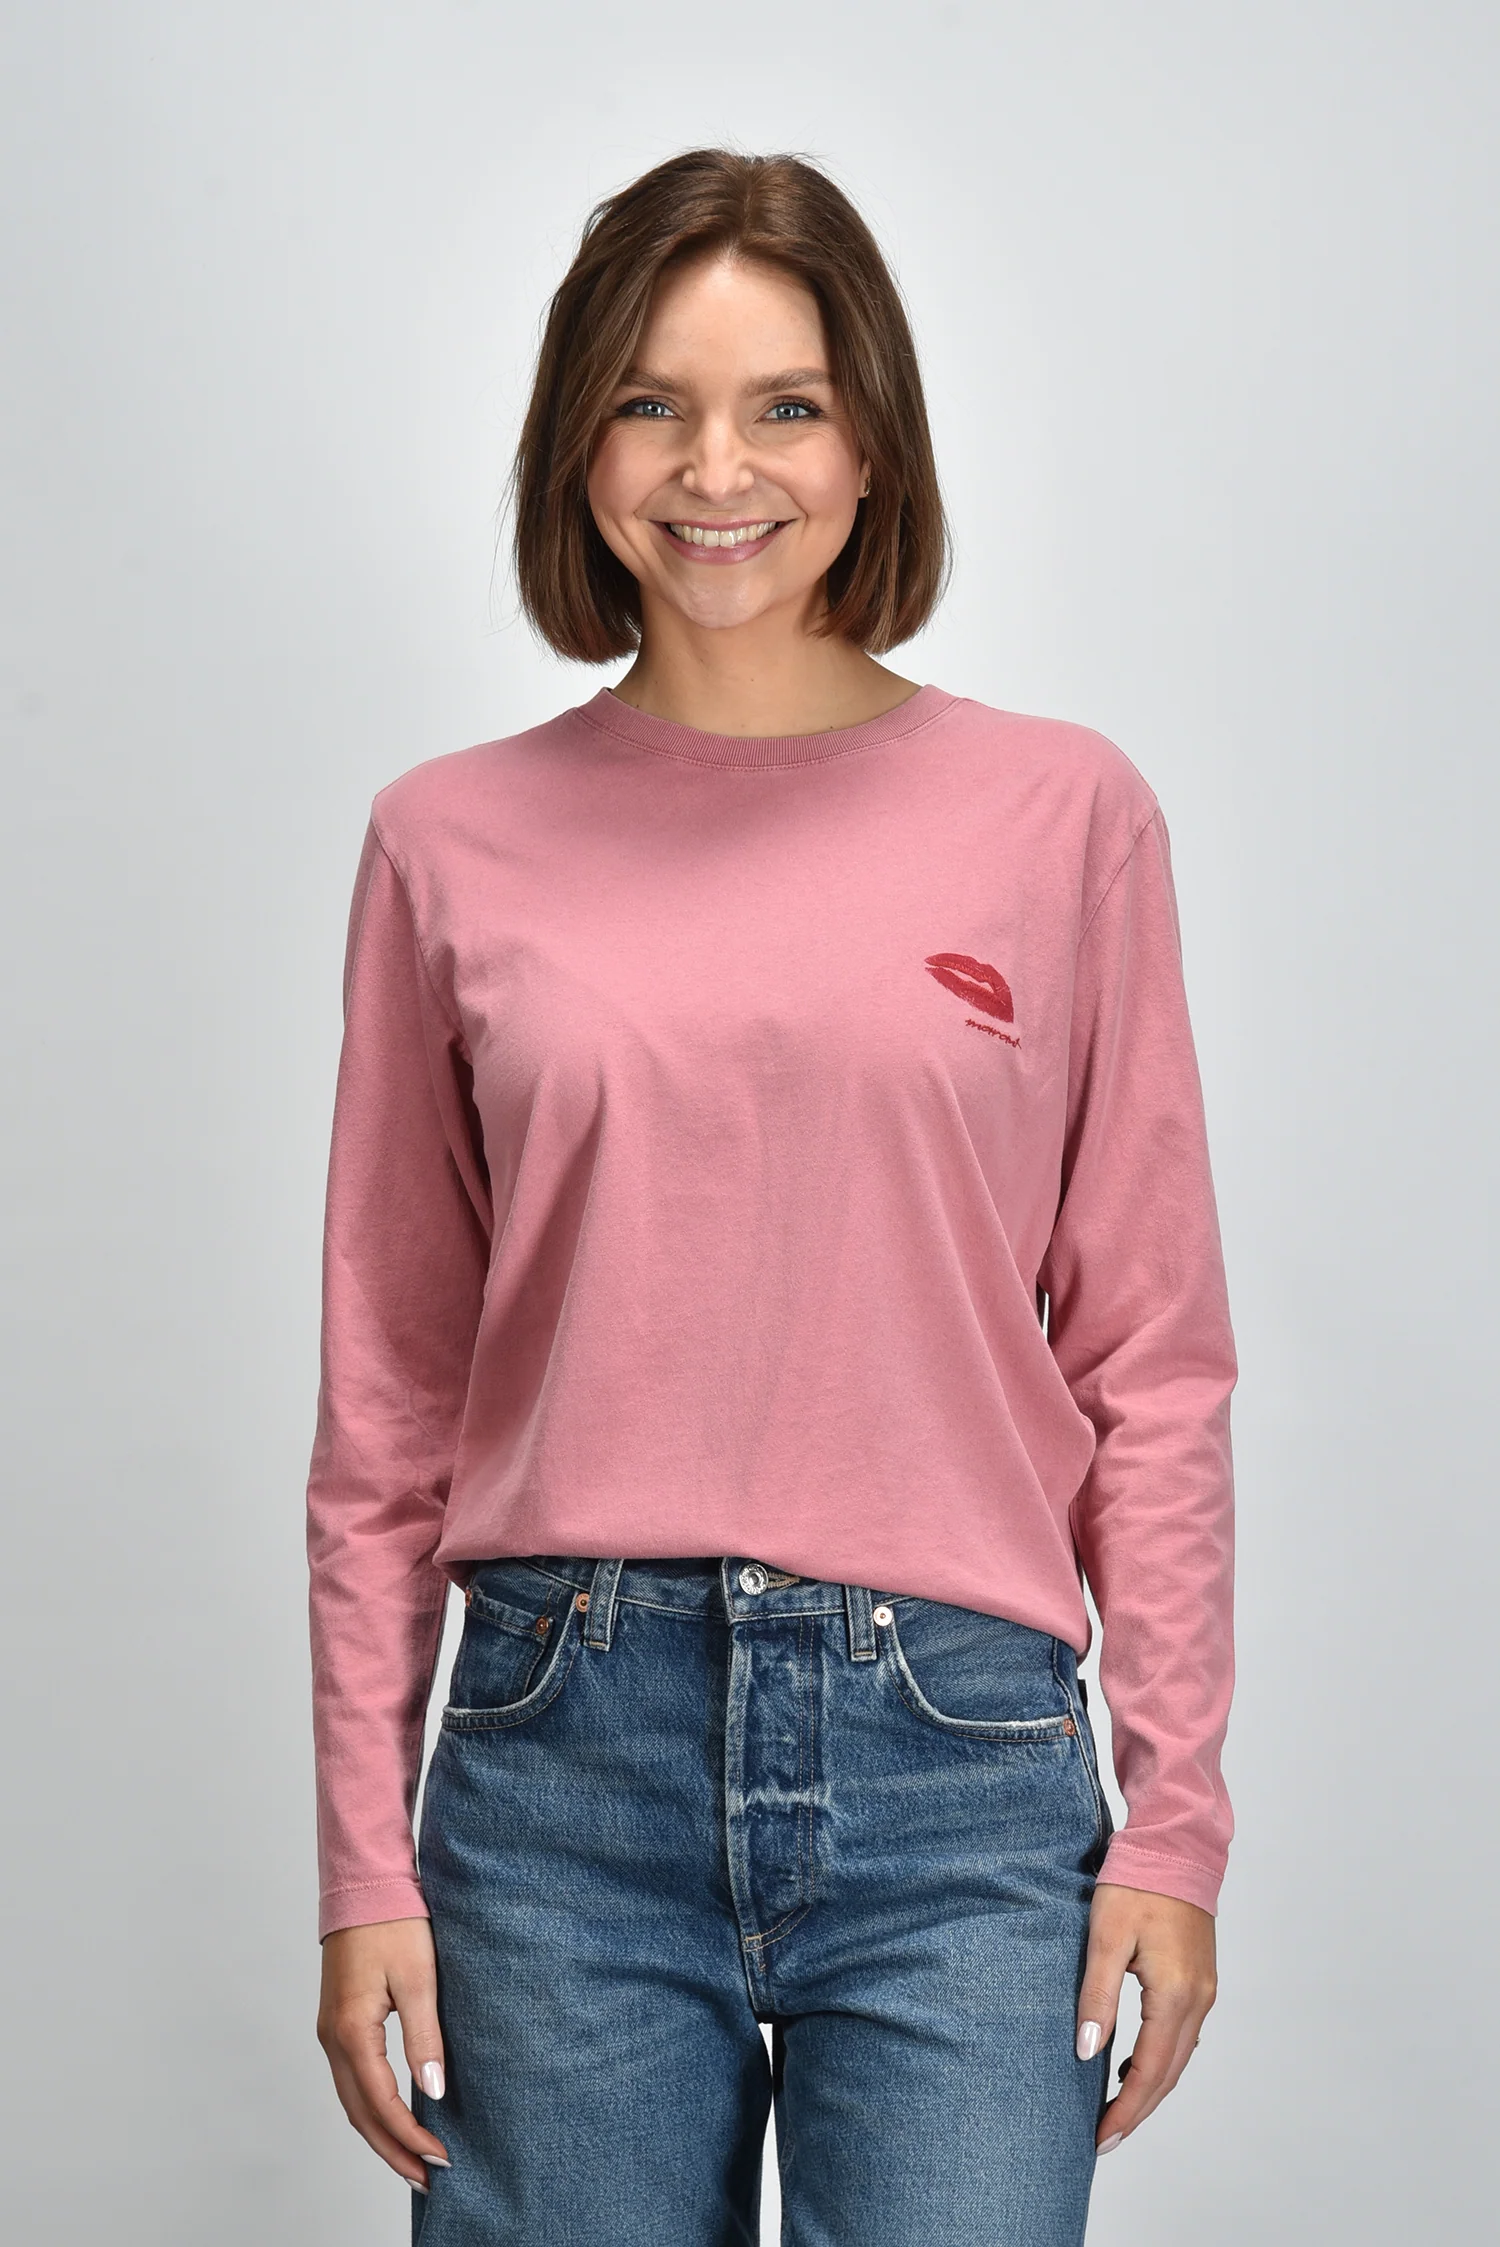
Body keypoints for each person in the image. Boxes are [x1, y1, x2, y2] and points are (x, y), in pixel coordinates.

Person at [307, 148, 1236, 2246]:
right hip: (561, 1758)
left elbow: (1153, 1362)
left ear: (871, 439)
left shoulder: (1064, 816)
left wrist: (1175, 1818)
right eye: (651, 402)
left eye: (785, 405)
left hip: (964, 1762)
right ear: (578, 445)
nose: (715, 468)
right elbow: (387, 1409)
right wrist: (365, 1858)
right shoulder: (447, 845)